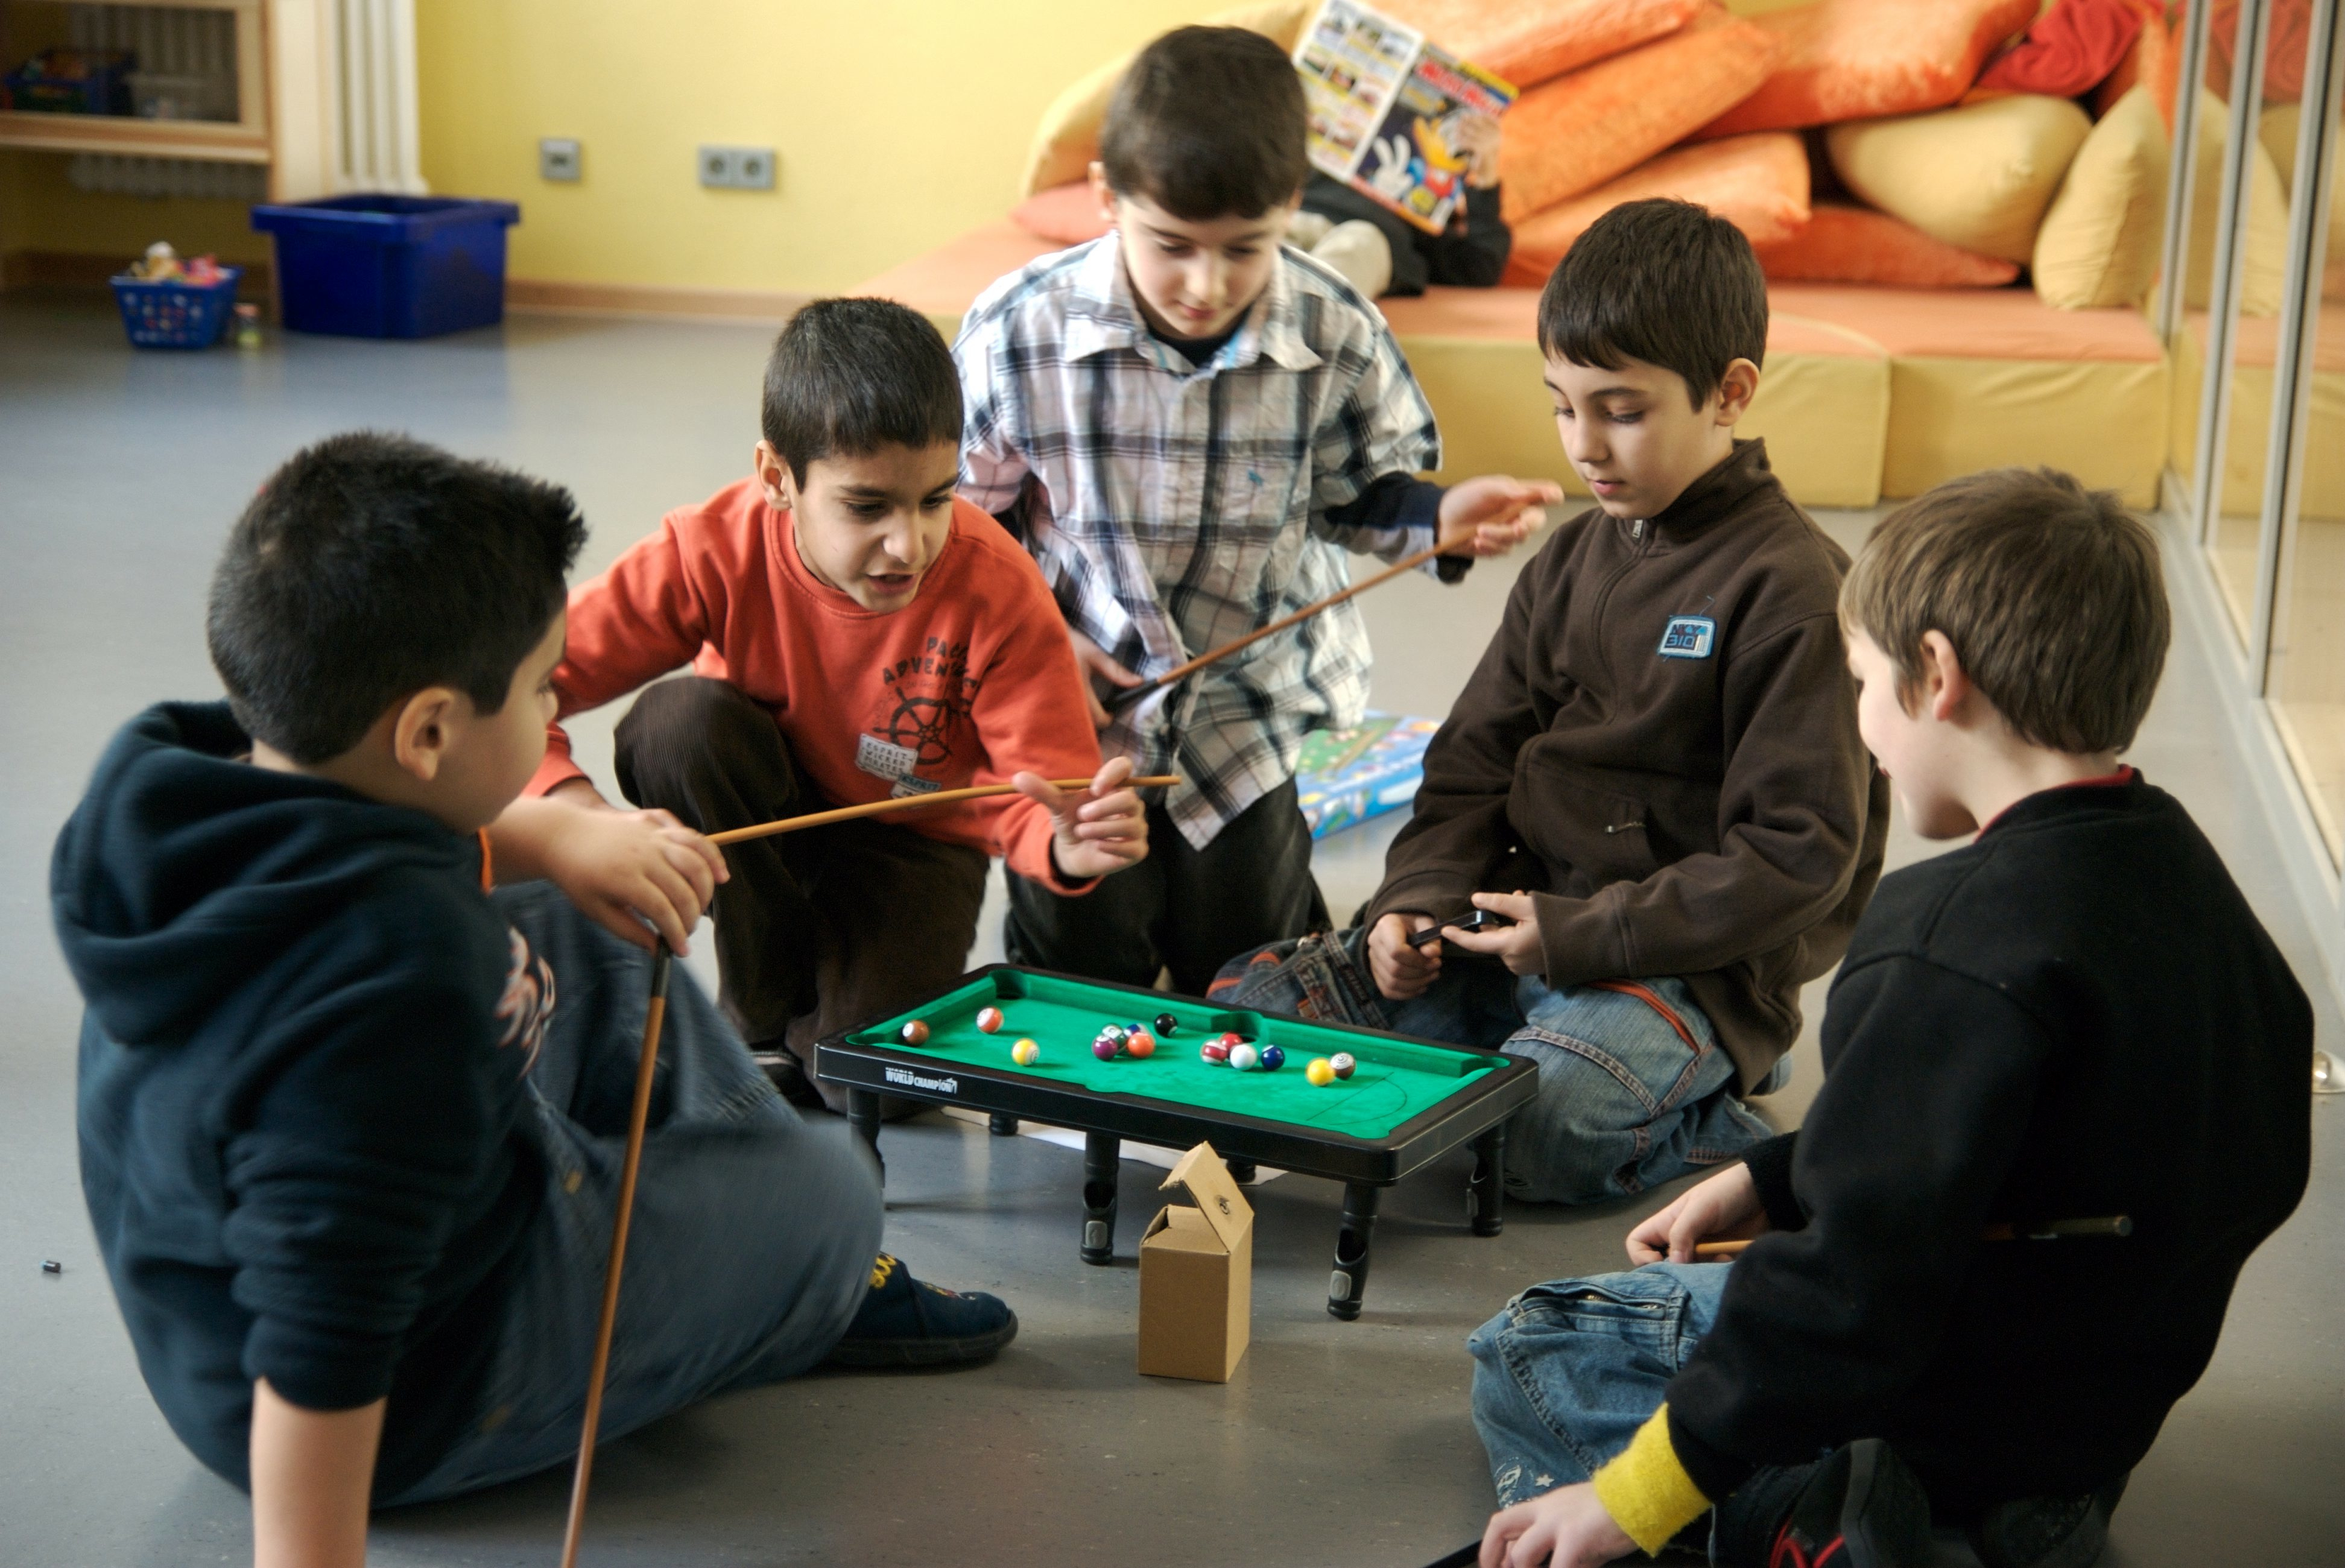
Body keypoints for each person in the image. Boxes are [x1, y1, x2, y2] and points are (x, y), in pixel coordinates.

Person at [54, 434, 1019, 1562]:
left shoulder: (192, 767)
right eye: (541, 687)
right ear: (425, 732)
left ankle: (681, 1211)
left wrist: (559, 831)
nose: (558, 700)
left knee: (586, 907)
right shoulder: (390, 1004)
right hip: (420, 1395)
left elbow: (388, 858)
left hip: (239, 1307)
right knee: (834, 1192)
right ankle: (780, 1268)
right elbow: (321, 1348)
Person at [1466, 468, 2314, 1568]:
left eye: (1860, 682)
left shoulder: (1938, 936)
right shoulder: (2181, 872)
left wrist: (1628, 1502)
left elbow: (1845, 1295)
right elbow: (2004, 1133)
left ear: (1934, 676)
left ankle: (1800, 1516)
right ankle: (2014, 1511)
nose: (1860, 727)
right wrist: (1777, 1178)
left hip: (1927, 1389)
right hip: (2092, 1415)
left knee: (1532, 1340)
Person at [1214, 198, 1888, 1204]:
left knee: (1533, 1135)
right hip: (1510, 935)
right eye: (1562, 406)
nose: (1584, 445)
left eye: (1621, 409)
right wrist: (1413, 911)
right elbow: (1471, 768)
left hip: (1677, 971)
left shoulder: (1791, 591)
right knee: (1245, 1006)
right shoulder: (1568, 558)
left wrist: (1582, 937)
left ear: (1729, 393)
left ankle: (1718, 1099)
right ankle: (1541, 1054)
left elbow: (1797, 855)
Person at [954, 24, 1559, 995]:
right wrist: (1037, 643)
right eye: (1172, 246)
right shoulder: (1015, 330)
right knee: (1081, 963)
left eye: (1244, 250)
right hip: (1076, 705)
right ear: (1108, 195)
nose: (1206, 285)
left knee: (1250, 972)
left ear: (1291, 205)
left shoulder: (1337, 326)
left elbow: (1365, 498)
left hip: (1251, 712)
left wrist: (1441, 515)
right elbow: (961, 539)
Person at [524, 298, 1147, 1111]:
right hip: (764, 800)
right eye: (867, 507)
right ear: (777, 479)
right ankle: (757, 999)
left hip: (916, 840)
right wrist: (574, 816)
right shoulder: (708, 548)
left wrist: (1070, 844)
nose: (910, 544)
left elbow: (1037, 801)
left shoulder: (997, 587)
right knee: (680, 727)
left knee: (875, 1089)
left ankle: (813, 1010)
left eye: (934, 498)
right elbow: (512, 693)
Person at [1293, 109, 1512, 298]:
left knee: (1360, 242)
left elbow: (1479, 267)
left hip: (1366, 237)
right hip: (1290, 215)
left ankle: (1289, 328)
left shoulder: (1421, 205)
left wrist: (1486, 173)